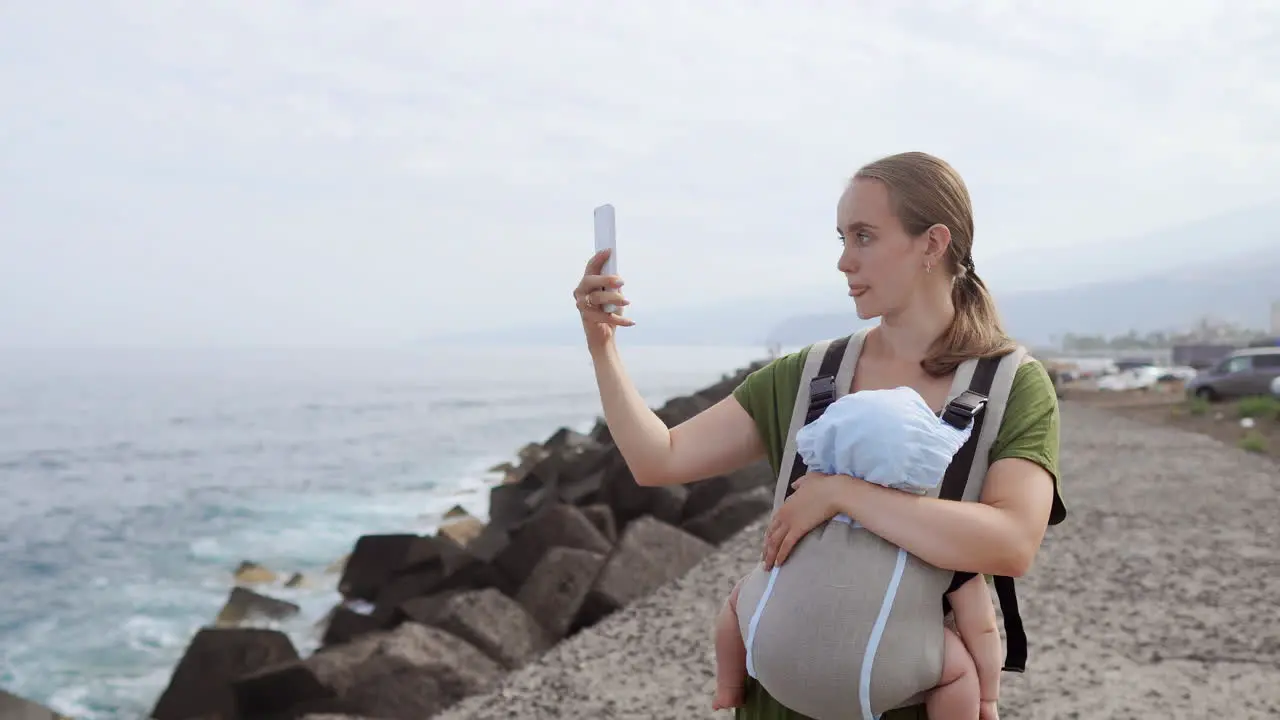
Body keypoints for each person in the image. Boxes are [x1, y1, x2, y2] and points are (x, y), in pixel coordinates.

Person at [572, 150, 1065, 720]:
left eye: (864, 237)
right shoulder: (807, 376)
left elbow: (1011, 543)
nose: (843, 262)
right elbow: (659, 459)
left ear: (932, 243)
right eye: (842, 238)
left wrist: (843, 493)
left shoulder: (1011, 385)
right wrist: (601, 345)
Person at [710, 384, 1006, 719]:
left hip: (772, 669)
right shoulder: (935, 537)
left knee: (737, 600)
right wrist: (988, 697)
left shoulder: (804, 511)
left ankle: (730, 685)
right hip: (872, 684)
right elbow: (982, 628)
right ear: (929, 457)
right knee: (958, 671)